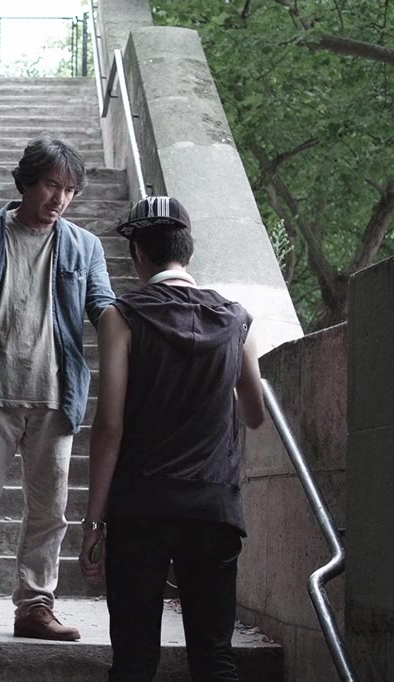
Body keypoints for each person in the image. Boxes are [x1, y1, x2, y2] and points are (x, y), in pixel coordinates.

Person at [0, 134, 115, 641]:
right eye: (52, 185)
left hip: (55, 399)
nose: (60, 198)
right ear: (26, 183)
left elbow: (103, 307)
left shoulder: (85, 246)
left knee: (50, 510)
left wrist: (151, 318)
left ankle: (36, 605)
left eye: (70, 190)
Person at [78, 197, 266, 680]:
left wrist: (93, 522)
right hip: (213, 508)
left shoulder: (121, 317)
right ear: (189, 250)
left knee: (135, 659)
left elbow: (109, 426)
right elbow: (255, 414)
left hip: (140, 507)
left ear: (137, 253)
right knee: (214, 656)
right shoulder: (237, 319)